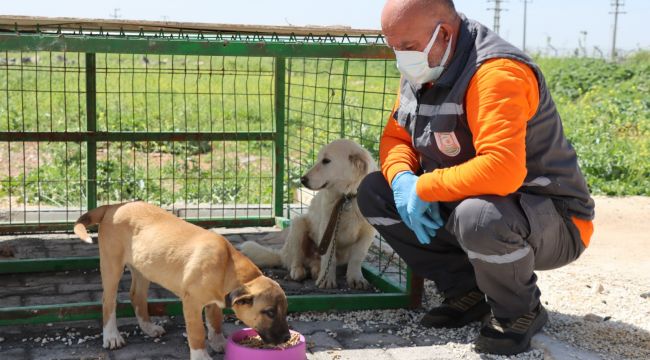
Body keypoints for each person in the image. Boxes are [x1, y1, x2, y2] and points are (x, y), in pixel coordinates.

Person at [357, 0, 595, 355]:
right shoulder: (424, 69)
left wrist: (425, 186)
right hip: (474, 202)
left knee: (479, 217)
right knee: (376, 191)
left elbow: (503, 169)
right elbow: (396, 138)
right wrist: (403, 178)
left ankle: (519, 311)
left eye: (407, 47)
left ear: (445, 33)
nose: (400, 59)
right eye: (394, 47)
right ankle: (465, 292)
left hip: (554, 218)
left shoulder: (496, 72)